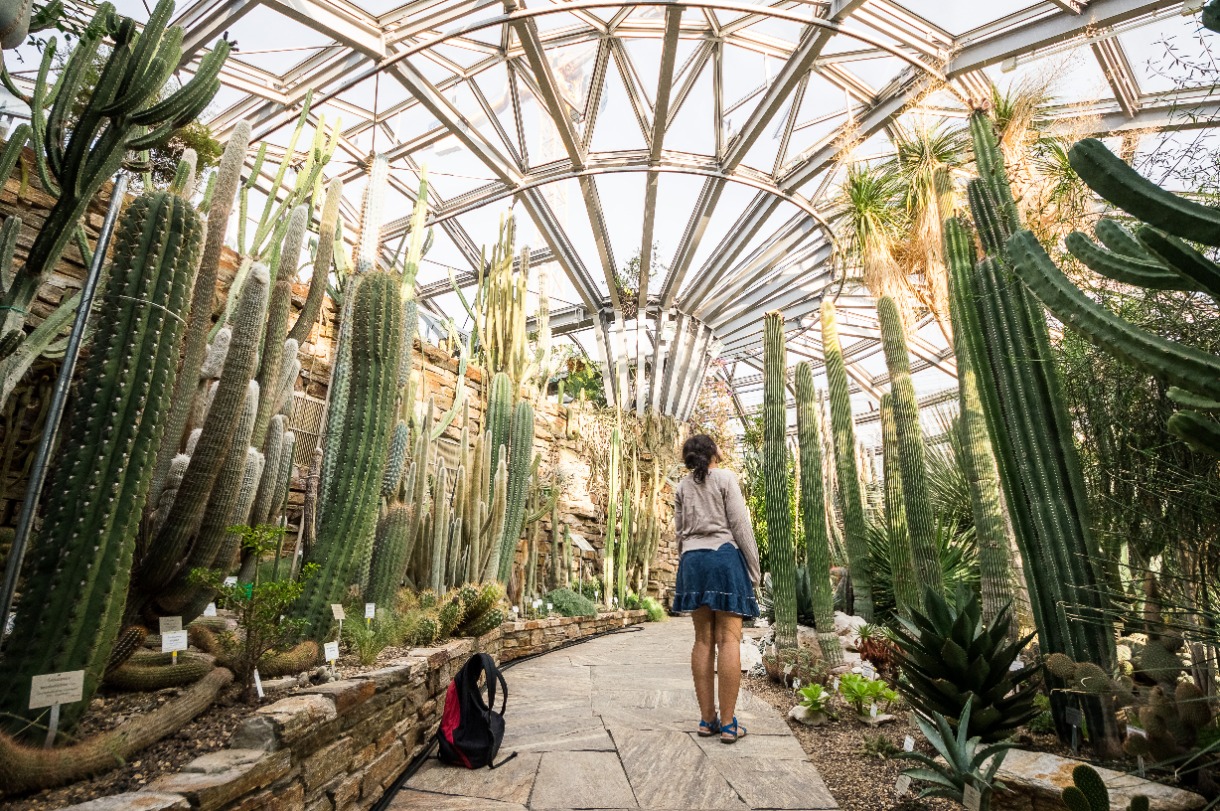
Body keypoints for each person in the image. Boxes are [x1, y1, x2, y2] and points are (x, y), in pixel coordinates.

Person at [671, 434, 761, 744]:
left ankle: (707, 721)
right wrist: (753, 568)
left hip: (693, 562)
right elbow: (740, 525)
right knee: (728, 639)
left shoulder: (682, 486)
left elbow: (680, 532)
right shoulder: (725, 478)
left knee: (703, 640)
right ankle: (728, 724)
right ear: (712, 453)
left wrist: (687, 565)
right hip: (724, 559)